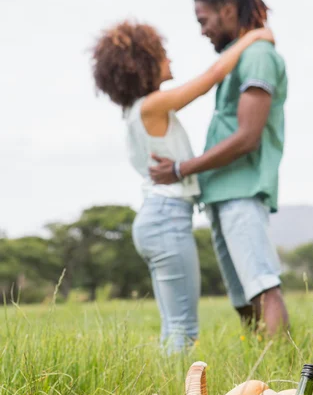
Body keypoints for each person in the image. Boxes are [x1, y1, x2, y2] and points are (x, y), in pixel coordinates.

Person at [91, 20, 274, 352]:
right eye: (162, 55)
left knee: (173, 325)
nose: (170, 60)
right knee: (183, 327)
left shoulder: (136, 111)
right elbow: (210, 79)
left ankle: (163, 387)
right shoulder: (152, 105)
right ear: (143, 66)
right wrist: (253, 39)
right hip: (166, 219)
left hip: (157, 219)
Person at [150, 0, 289, 336]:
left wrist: (181, 169)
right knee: (243, 297)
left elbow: (247, 138)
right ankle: (259, 370)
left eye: (204, 20)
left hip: (241, 190)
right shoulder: (243, 55)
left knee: (262, 284)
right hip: (221, 193)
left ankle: (283, 371)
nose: (202, 31)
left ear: (228, 10)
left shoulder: (258, 55)